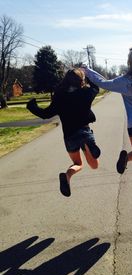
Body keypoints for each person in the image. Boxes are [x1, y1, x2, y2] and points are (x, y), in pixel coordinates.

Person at [81, 11, 132, 174]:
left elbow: (102, 82)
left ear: (130, 61)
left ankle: (126, 157)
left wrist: (86, 70)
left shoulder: (123, 82)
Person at [26, 68, 101, 197]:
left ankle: (67, 176)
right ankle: (89, 146)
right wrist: (87, 74)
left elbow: (45, 114)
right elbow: (96, 88)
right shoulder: (86, 93)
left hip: (69, 136)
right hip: (84, 131)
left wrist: (32, 106)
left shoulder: (60, 96)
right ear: (80, 80)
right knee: (94, 165)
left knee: (78, 164)